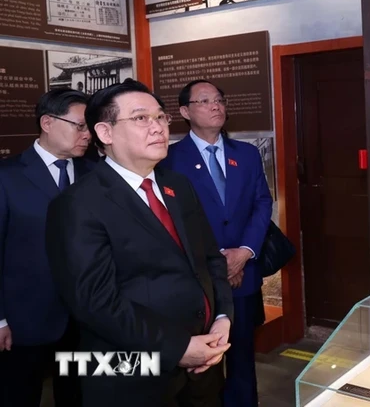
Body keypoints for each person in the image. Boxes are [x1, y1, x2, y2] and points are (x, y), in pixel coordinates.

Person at [44, 79, 234, 407]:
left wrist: (222, 317)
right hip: (133, 374)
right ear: (105, 133)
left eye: (160, 117)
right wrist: (178, 349)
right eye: (141, 118)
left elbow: (209, 259)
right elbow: (95, 302)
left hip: (205, 365)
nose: (158, 127)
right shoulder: (78, 203)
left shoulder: (178, 185)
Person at [160, 80, 272, 407]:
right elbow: (170, 217)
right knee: (199, 366)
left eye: (220, 100)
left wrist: (244, 252)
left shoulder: (247, 154)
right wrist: (218, 263)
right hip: (197, 280)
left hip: (245, 273)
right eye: (205, 100)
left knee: (242, 359)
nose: (215, 106)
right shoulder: (168, 158)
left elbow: (262, 204)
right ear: (184, 111)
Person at [0, 88, 92, 407]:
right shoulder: (7, 177)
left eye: (90, 125)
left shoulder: (93, 174)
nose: (88, 134)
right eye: (80, 125)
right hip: (23, 322)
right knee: (20, 396)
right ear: (48, 123)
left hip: (83, 320)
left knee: (77, 396)